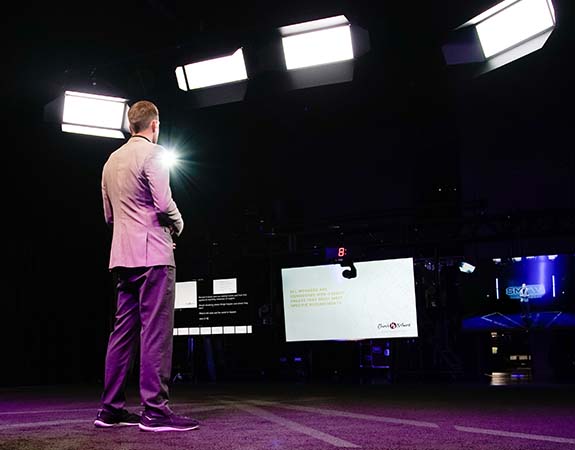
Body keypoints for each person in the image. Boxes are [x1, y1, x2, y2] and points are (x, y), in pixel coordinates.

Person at [95, 100, 199, 432]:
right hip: (153, 256)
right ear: (154, 125)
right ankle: (154, 411)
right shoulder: (153, 154)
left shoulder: (110, 161)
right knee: (155, 332)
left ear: (131, 125)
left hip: (121, 257)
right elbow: (164, 203)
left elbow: (109, 216)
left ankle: (110, 409)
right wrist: (180, 225)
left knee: (122, 333)